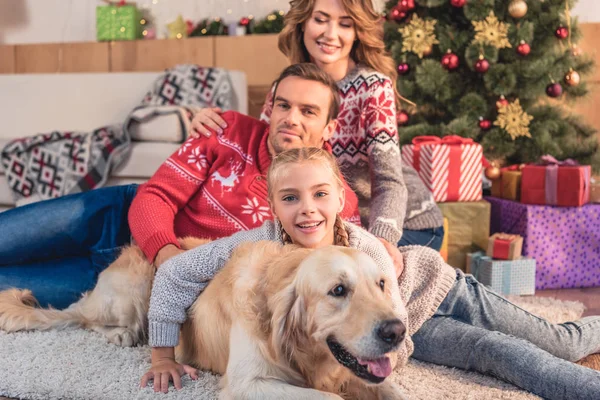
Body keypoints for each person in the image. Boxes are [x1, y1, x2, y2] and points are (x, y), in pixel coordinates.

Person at [141, 147, 600, 399]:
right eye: (290, 199)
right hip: (392, 327)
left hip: (430, 290)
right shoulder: (259, 247)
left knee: (558, 340)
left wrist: (387, 348)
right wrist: (161, 355)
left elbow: (392, 309)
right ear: (272, 206)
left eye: (320, 194)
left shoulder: (360, 243)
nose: (307, 211)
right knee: (498, 353)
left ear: (341, 198)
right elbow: (175, 273)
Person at [0, 63, 360, 309]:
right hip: (115, 218)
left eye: (308, 111)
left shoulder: (335, 201)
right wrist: (168, 257)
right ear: (271, 106)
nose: (291, 119)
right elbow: (153, 196)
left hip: (131, 283)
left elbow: (348, 262)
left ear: (330, 128)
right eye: (283, 105)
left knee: (11, 283)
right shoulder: (226, 129)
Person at [190, 0, 444, 252]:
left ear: (357, 33)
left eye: (345, 24)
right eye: (320, 20)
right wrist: (210, 121)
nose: (330, 34)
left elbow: (388, 183)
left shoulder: (373, 88)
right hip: (330, 224)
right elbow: (264, 154)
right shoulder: (287, 85)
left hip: (404, 224)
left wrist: (379, 244)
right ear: (302, 23)